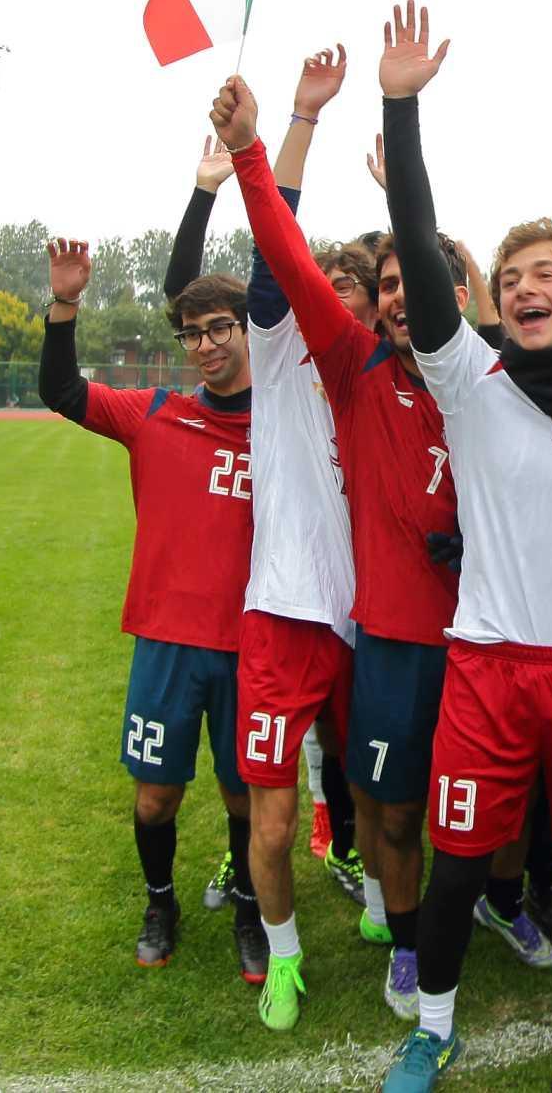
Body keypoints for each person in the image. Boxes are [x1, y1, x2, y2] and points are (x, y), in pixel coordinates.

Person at [212, 51, 552, 1026]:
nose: (402, 295)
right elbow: (285, 258)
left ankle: (501, 900)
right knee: (398, 809)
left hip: (497, 631)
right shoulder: (352, 366)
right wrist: (253, 148)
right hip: (398, 639)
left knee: (503, 805)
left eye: (420, 279)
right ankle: (408, 943)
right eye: (387, 284)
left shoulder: (493, 376)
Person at [366, 0, 552, 1093]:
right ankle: (433, 1027)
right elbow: (418, 245)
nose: (526, 286)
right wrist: (401, 110)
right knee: (459, 858)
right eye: (511, 274)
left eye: (547, 272)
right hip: (486, 662)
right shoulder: (469, 379)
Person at [36, 240, 268, 992]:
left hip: (250, 644)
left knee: (243, 793)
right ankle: (160, 903)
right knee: (155, 794)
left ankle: (248, 911)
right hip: (167, 643)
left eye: (219, 327)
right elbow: (62, 390)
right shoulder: (157, 414)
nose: (205, 345)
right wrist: (65, 303)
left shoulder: (286, 423)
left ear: (247, 328)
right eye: (192, 334)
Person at [169, 126, 371, 946]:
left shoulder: (385, 375)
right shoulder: (283, 354)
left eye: (353, 287)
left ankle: (382, 905)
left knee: (375, 790)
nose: (336, 296)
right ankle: (282, 954)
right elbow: (270, 244)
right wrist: (296, 122)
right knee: (272, 814)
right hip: (284, 609)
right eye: (326, 282)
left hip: (372, 617)